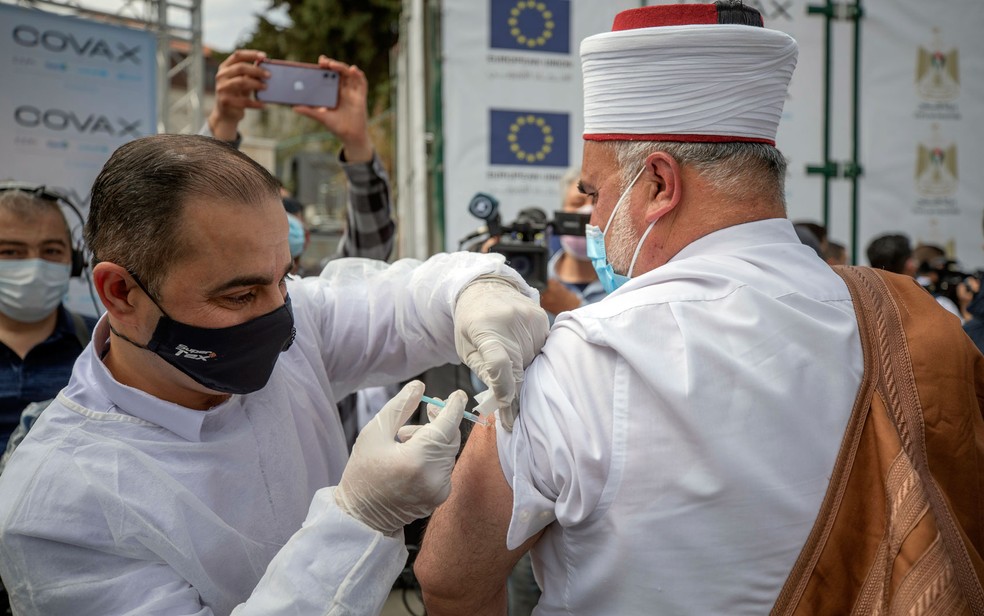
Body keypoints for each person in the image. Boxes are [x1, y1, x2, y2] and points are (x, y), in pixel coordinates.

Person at [414, 3, 868, 612]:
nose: (593, 219)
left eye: (594, 194)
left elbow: (448, 576)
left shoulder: (586, 356)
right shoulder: (901, 323)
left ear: (658, 185)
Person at [0, 134, 549, 614]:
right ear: (120, 292)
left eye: (283, 279)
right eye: (239, 294)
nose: (277, 314)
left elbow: (405, 298)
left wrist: (479, 291)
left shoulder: (295, 317)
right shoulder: (58, 508)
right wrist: (360, 517)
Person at [207, 50, 395, 264]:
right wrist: (223, 123)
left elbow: (366, 259)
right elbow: (198, 206)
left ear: (306, 232)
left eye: (289, 206)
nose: (278, 216)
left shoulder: (322, 291)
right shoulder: (222, 290)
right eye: (262, 206)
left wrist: (357, 142)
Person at [0, 185, 95, 453]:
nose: (35, 267)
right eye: (10, 252)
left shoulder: (105, 345)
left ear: (74, 262)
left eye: (51, 251)